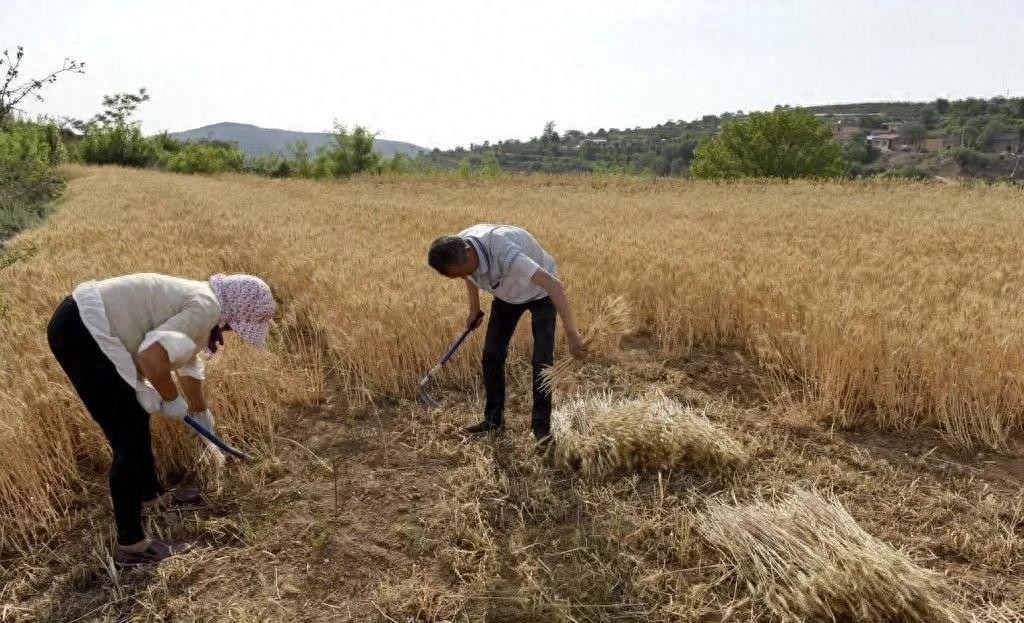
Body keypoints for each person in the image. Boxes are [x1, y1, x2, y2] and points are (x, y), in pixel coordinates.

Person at [46, 272, 276, 566]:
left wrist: (200, 413)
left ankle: (151, 495)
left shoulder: (205, 300)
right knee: (127, 433)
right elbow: (152, 358)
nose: (232, 331)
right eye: (238, 325)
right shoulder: (206, 308)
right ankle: (132, 545)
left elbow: (186, 361)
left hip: (78, 322)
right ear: (237, 311)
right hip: (82, 330)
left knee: (135, 417)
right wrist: (171, 399)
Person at [427, 224, 586, 448]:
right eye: (458, 275)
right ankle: (493, 420)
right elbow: (468, 276)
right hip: (506, 296)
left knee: (542, 362)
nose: (463, 276)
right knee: (491, 356)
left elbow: (553, 285)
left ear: (469, 253)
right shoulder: (459, 246)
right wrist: (474, 308)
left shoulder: (502, 249)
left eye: (463, 271)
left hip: (541, 294)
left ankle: (541, 429)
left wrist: (572, 334)